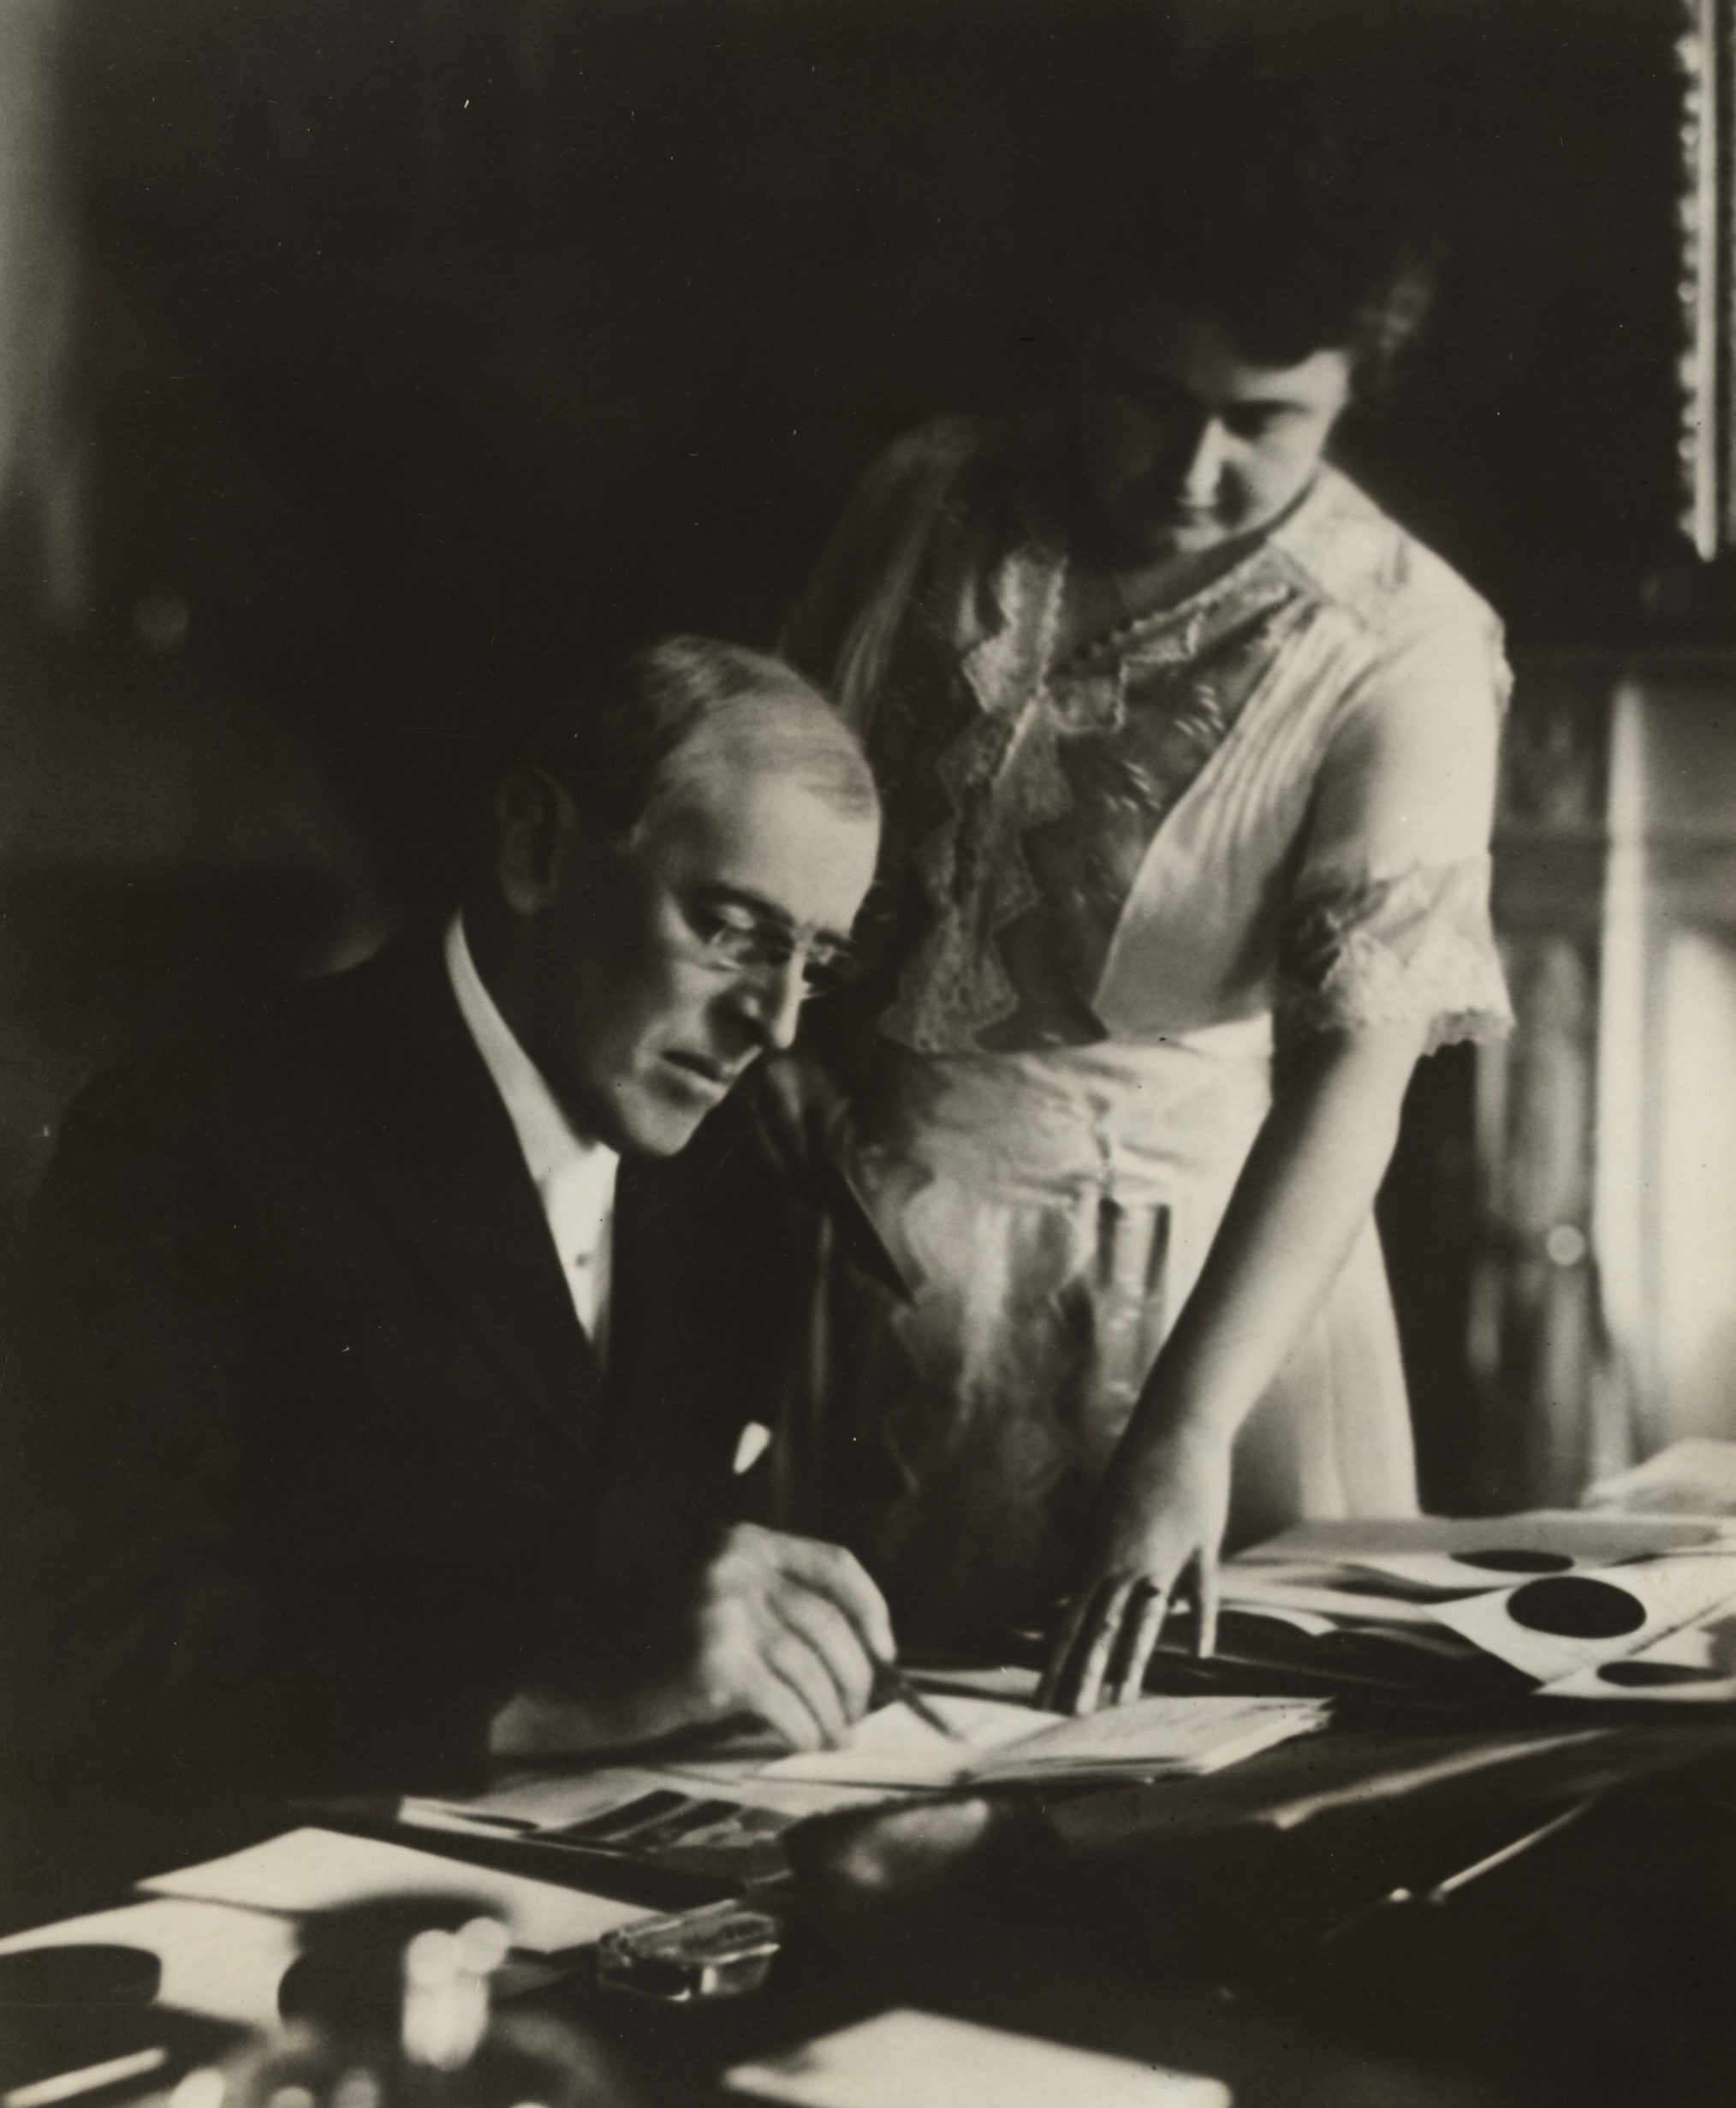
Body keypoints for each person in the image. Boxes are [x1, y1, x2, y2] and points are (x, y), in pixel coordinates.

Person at [776, 62, 1513, 1713]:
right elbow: (771, 801)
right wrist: (778, 1054)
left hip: (1184, 1302)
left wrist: (1184, 1438)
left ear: (1354, 390)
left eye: (1263, 423)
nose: (1190, 466)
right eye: (1147, 394)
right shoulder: (935, 496)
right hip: (855, 1240)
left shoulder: (1403, 643)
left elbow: (1353, 1080)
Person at [0, 637, 893, 1832]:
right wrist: (551, 1684)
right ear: (536, 848)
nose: (775, 1024)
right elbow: (76, 1648)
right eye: (732, 932)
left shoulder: (733, 1175)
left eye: (814, 963)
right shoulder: (191, 1137)